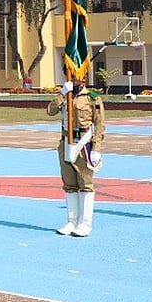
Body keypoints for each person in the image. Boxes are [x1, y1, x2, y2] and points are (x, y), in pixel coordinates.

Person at [47, 74, 105, 236]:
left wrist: (96, 148)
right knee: (69, 184)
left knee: (86, 184)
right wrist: (62, 94)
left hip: (84, 143)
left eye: (77, 76)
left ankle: (85, 223)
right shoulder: (65, 94)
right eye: (71, 75)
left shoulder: (92, 98)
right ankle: (72, 221)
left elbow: (100, 124)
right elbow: (50, 111)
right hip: (66, 142)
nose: (74, 79)